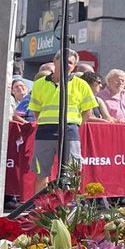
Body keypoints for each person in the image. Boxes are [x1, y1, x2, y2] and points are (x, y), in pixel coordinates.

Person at [28, 50, 97, 192]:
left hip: (70, 132)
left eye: (71, 63)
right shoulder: (39, 84)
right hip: (45, 132)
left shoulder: (81, 85)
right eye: (64, 61)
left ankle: (69, 208)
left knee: (72, 174)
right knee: (41, 173)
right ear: (55, 61)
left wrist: (74, 125)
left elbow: (88, 112)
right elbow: (36, 110)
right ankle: (41, 209)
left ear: (74, 67)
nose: (67, 65)